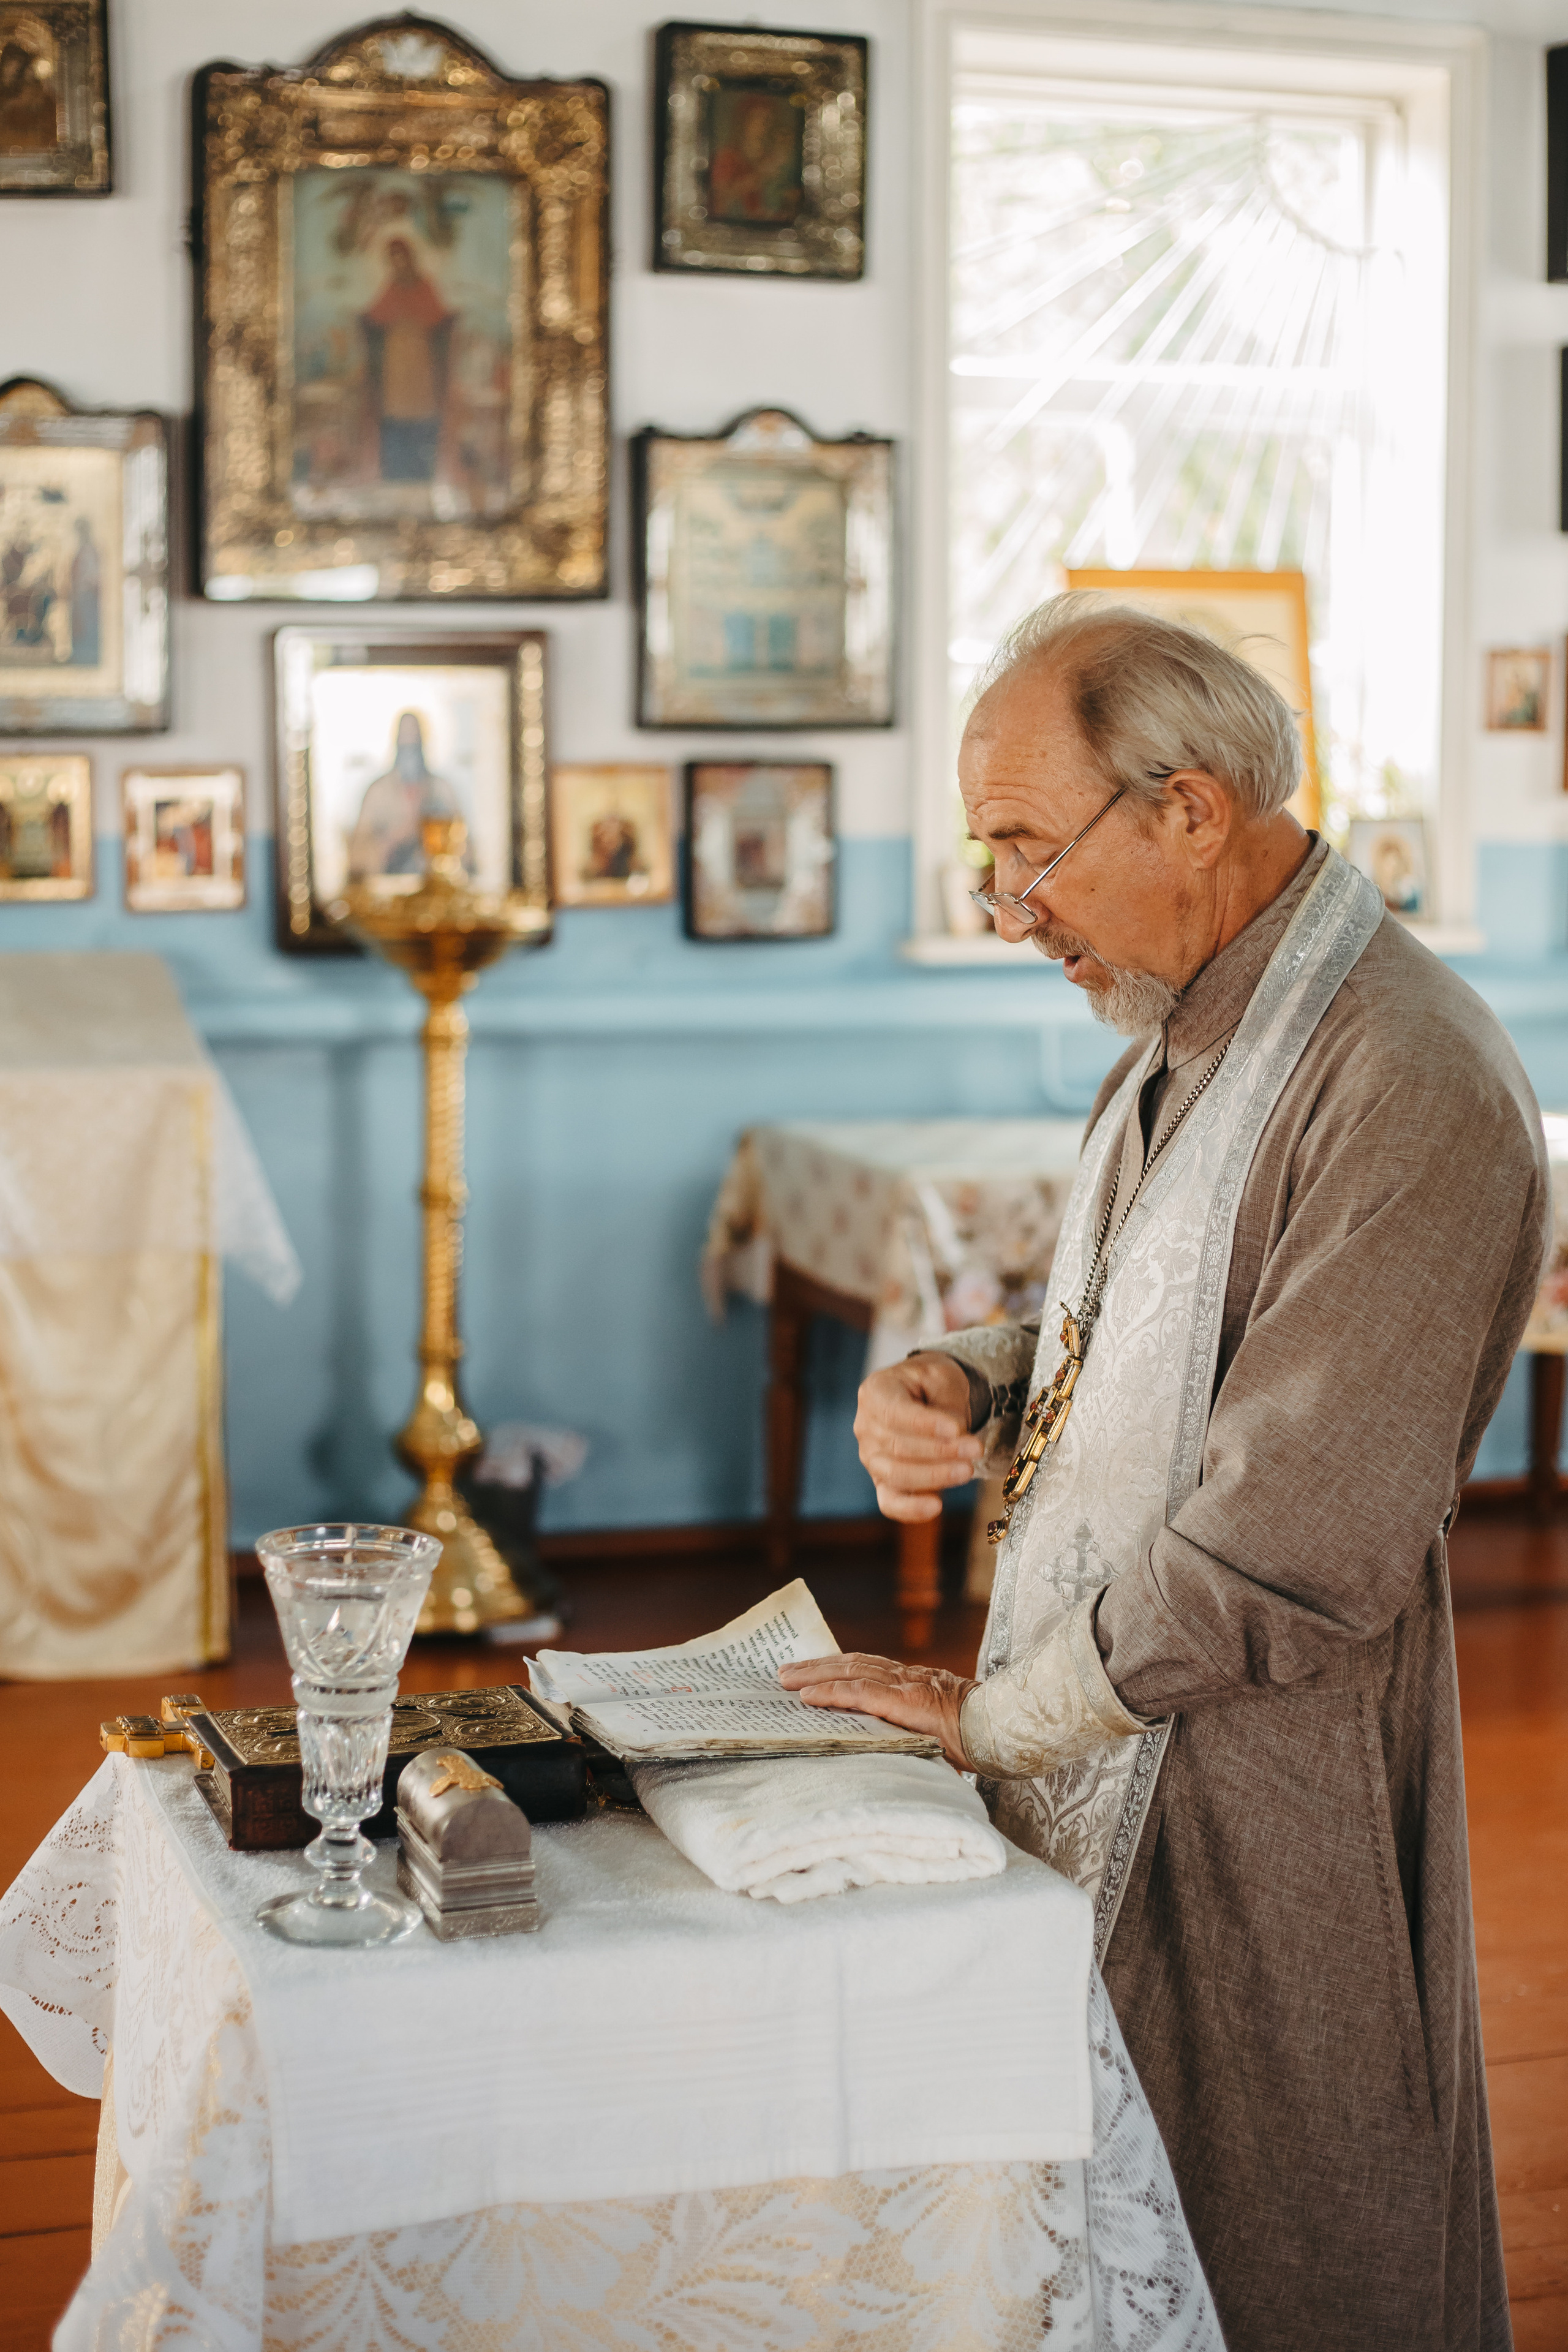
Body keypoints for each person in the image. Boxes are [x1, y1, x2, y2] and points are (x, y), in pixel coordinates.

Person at [777, 594, 1546, 2352]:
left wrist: (982, 1722)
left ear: (1191, 811)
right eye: (991, 861)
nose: (1007, 907)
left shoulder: (1400, 1075)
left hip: (1268, 1783)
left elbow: (1293, 1540)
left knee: (1272, 2233)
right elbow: (1153, 1314)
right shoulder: (1209, 1011)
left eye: (1028, 851)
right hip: (1129, 1723)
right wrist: (966, 1382)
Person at [360, 236, 456, 484]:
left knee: (421, 414)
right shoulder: (391, 287)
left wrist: (414, 318)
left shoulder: (426, 287)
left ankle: (422, 476)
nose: (397, 263)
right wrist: (364, 319)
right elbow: (377, 315)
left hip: (420, 362)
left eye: (401, 257)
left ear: (410, 258)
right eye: (392, 259)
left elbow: (437, 317)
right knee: (395, 416)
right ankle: (395, 474)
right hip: (396, 364)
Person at [347, 710, 467, 880]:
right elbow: (357, 860)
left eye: (415, 737)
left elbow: (465, 853)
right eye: (405, 737)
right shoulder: (378, 792)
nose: (410, 743)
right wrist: (396, 837)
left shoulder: (442, 790)